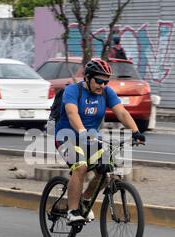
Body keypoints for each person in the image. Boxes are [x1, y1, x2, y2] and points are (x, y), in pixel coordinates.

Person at [54, 58, 145, 222]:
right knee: (80, 167)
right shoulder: (73, 91)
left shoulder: (106, 92)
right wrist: (81, 131)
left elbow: (122, 113)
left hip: (91, 138)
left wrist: (136, 131)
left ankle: (85, 199)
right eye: (99, 81)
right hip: (66, 136)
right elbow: (72, 113)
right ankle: (72, 211)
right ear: (87, 77)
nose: (102, 85)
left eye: (106, 82)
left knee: (107, 169)